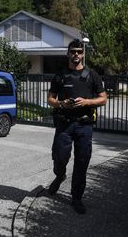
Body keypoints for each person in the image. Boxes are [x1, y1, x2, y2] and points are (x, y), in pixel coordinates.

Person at [47, 39, 107, 214]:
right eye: (73, 51)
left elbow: (103, 98)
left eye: (79, 51)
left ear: (83, 54)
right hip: (64, 124)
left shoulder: (92, 75)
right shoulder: (60, 75)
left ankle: (77, 198)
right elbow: (50, 100)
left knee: (82, 162)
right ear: (68, 53)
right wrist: (61, 104)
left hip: (84, 126)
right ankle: (60, 175)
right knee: (59, 157)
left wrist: (87, 101)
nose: (76, 54)